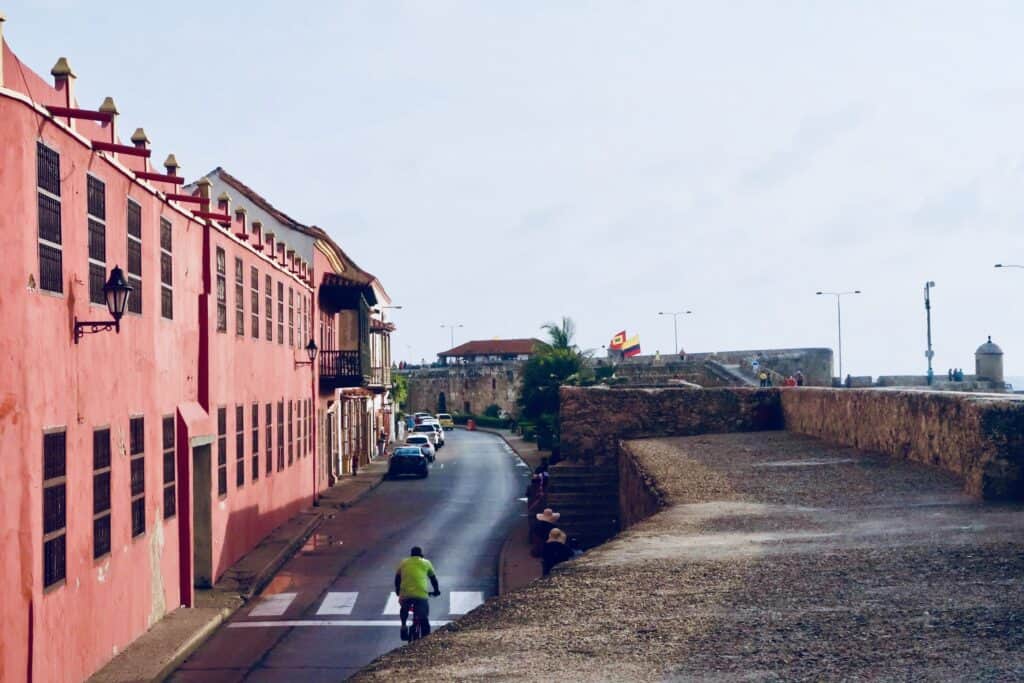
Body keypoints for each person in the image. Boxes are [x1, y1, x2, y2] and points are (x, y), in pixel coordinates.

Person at [395, 546, 440, 641]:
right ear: (421, 554)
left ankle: (403, 625)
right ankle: (424, 641)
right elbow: (433, 579)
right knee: (424, 618)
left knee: (404, 607)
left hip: (405, 593)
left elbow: (397, 578)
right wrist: (436, 590)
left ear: (411, 554)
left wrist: (398, 590)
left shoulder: (404, 562)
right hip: (421, 594)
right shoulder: (426, 562)